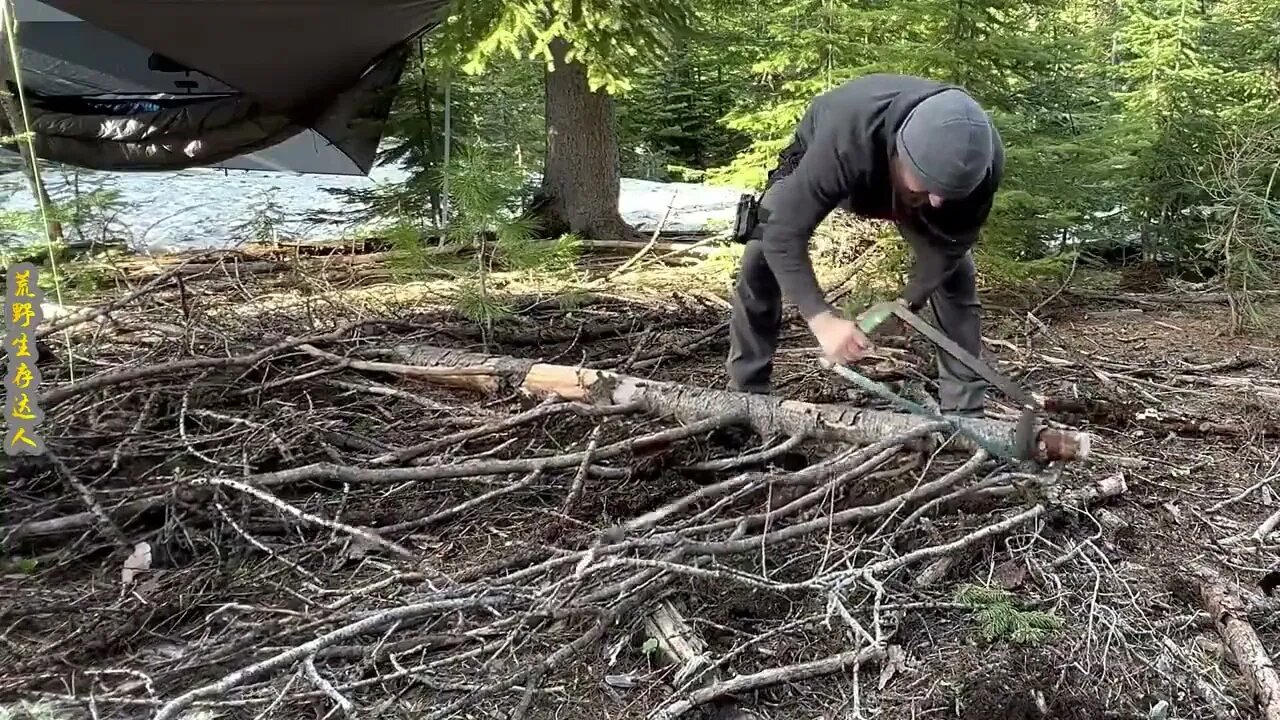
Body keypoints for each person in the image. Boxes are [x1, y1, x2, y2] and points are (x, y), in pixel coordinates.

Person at [725, 73, 1004, 418]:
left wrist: (906, 303)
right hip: (841, 162)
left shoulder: (981, 163)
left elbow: (948, 248)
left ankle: (965, 415)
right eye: (927, 188)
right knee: (760, 249)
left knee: (956, 277)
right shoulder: (847, 138)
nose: (935, 202)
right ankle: (746, 397)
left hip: (902, 179)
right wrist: (823, 321)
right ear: (899, 156)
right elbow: (784, 233)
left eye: (949, 194)